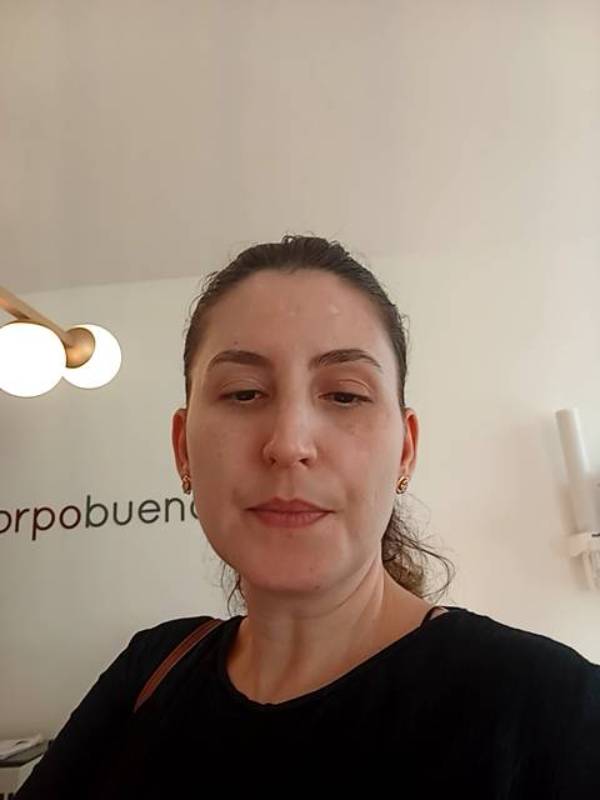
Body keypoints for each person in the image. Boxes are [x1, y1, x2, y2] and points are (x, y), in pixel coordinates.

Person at [16, 235, 600, 798]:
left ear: (405, 451)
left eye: (345, 394)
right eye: (244, 393)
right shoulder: (151, 670)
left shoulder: (556, 708)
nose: (289, 443)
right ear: (182, 450)